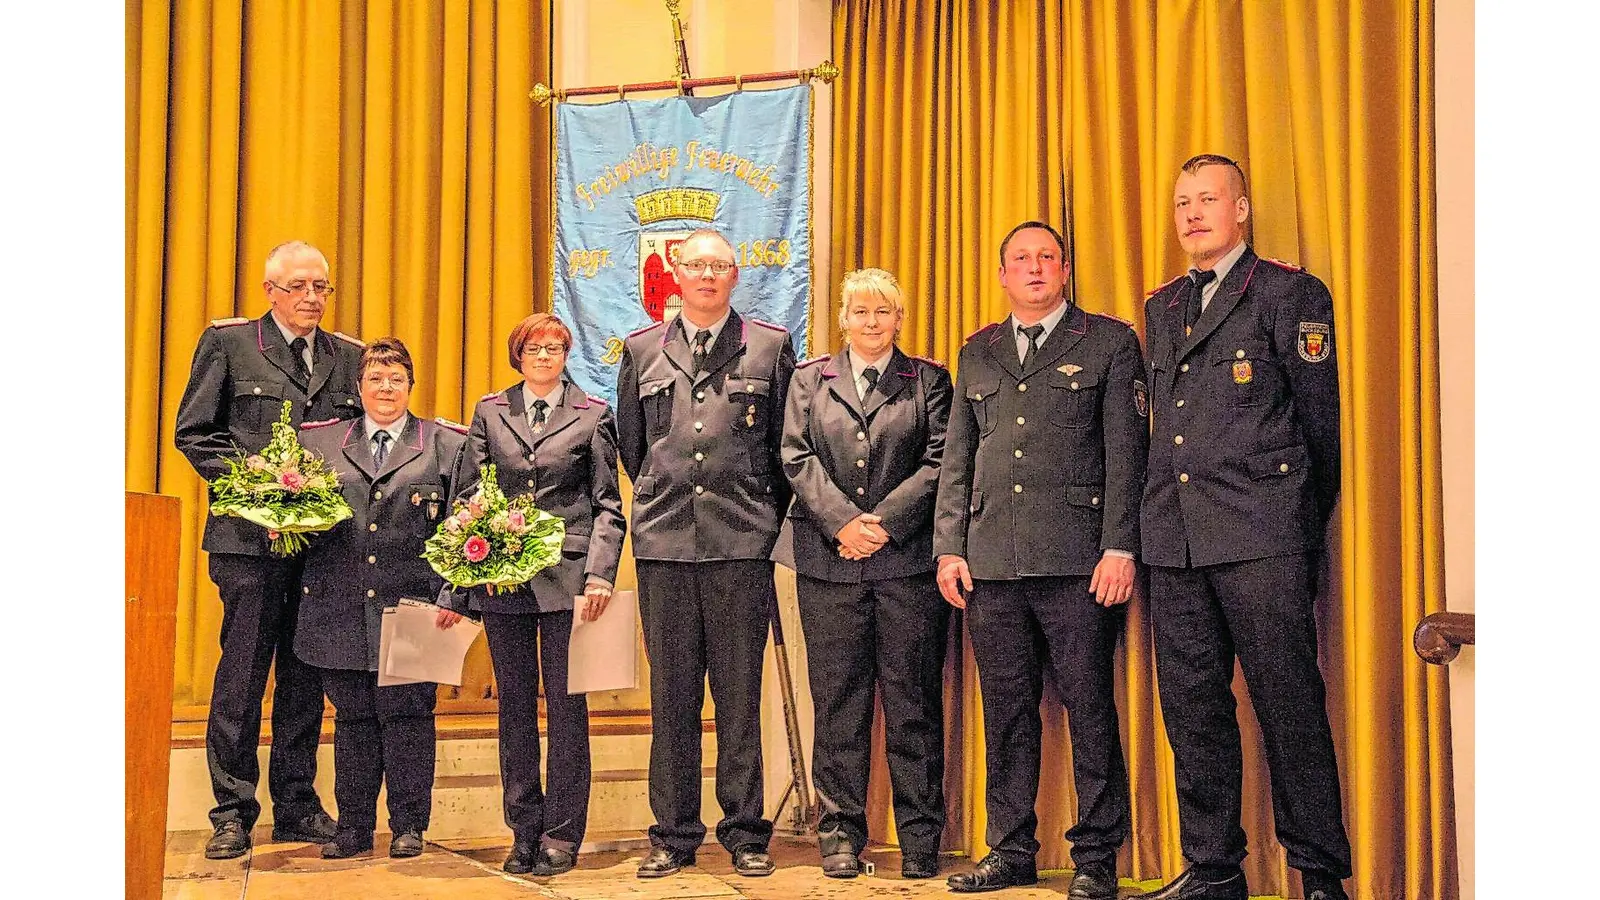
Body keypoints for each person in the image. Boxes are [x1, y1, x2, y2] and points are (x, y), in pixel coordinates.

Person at [1136, 155, 1349, 900]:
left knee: (1289, 704)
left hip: (1263, 535)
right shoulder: (1161, 306)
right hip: (1177, 538)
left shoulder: (1289, 293)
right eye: (1182, 202)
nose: (1193, 213)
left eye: (1208, 199)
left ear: (1242, 209)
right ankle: (1212, 869)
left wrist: (1292, 522)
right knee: (1192, 710)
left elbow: (1320, 430)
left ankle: (1320, 874)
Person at [932, 221, 1148, 898]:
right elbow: (957, 462)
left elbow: (1126, 455)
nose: (1034, 269)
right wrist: (948, 547)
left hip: (1079, 564)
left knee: (1090, 711)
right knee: (1007, 714)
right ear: (1002, 275)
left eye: (1046, 258)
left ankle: (1096, 858)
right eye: (1020, 260)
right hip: (992, 565)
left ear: (1064, 271)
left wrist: (1120, 545)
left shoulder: (1109, 343)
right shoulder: (978, 351)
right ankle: (1011, 849)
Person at [615, 228, 796, 879]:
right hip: (665, 547)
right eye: (697, 265)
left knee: (739, 698)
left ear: (735, 273)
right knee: (672, 699)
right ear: (676, 273)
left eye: (720, 265)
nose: (708, 276)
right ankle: (673, 833)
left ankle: (746, 831)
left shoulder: (769, 347)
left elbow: (782, 451)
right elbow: (636, 450)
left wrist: (756, 517)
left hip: (741, 545)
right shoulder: (641, 350)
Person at [174, 240, 364, 859]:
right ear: (271, 291)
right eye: (300, 287)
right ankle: (231, 809)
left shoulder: (349, 358)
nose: (312, 299)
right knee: (244, 673)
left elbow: (359, 446)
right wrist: (261, 487)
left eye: (321, 288)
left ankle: (297, 803)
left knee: (306, 676)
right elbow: (195, 434)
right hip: (249, 543)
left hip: (321, 549)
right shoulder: (229, 345)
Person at [779, 268, 954, 881]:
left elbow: (942, 460)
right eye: (860, 311)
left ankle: (921, 838)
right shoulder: (808, 381)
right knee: (839, 706)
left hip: (906, 567)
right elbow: (794, 457)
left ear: (899, 319)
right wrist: (843, 524)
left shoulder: (929, 380)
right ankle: (839, 836)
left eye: (883, 311)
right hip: (828, 567)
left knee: (913, 705)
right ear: (843, 319)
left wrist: (881, 522)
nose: (872, 321)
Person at [447, 313, 626, 876]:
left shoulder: (593, 414)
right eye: (535, 347)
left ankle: (562, 834)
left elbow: (607, 506)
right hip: (502, 579)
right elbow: (468, 495)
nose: (546, 355)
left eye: (556, 347)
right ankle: (523, 829)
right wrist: (469, 564)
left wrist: (600, 574)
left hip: (568, 581)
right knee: (515, 710)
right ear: (517, 355)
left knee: (568, 711)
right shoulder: (490, 411)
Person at [293, 337, 467, 859]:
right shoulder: (319, 443)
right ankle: (353, 827)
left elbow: (466, 526)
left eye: (396, 380)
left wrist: (451, 596)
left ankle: (410, 824)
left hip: (418, 606)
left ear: (411, 387)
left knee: (409, 716)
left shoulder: (445, 444)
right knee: (352, 718)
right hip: (338, 603)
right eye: (375, 379)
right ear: (359, 386)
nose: (385, 388)